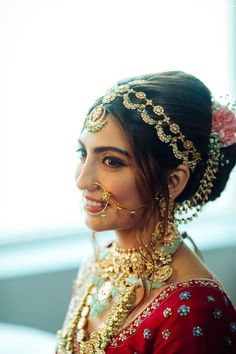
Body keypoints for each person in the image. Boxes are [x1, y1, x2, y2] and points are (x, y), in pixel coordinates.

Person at [56, 71, 236, 353]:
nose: (82, 180)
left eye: (111, 161)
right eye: (83, 153)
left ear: (172, 181)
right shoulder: (97, 263)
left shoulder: (191, 309)